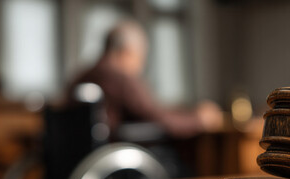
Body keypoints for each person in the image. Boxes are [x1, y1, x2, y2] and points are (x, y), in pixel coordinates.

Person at [65, 20, 222, 139]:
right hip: (117, 154)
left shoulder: (81, 75)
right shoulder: (121, 78)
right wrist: (199, 120)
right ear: (127, 52)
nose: (142, 64)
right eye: (141, 56)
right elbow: (158, 119)